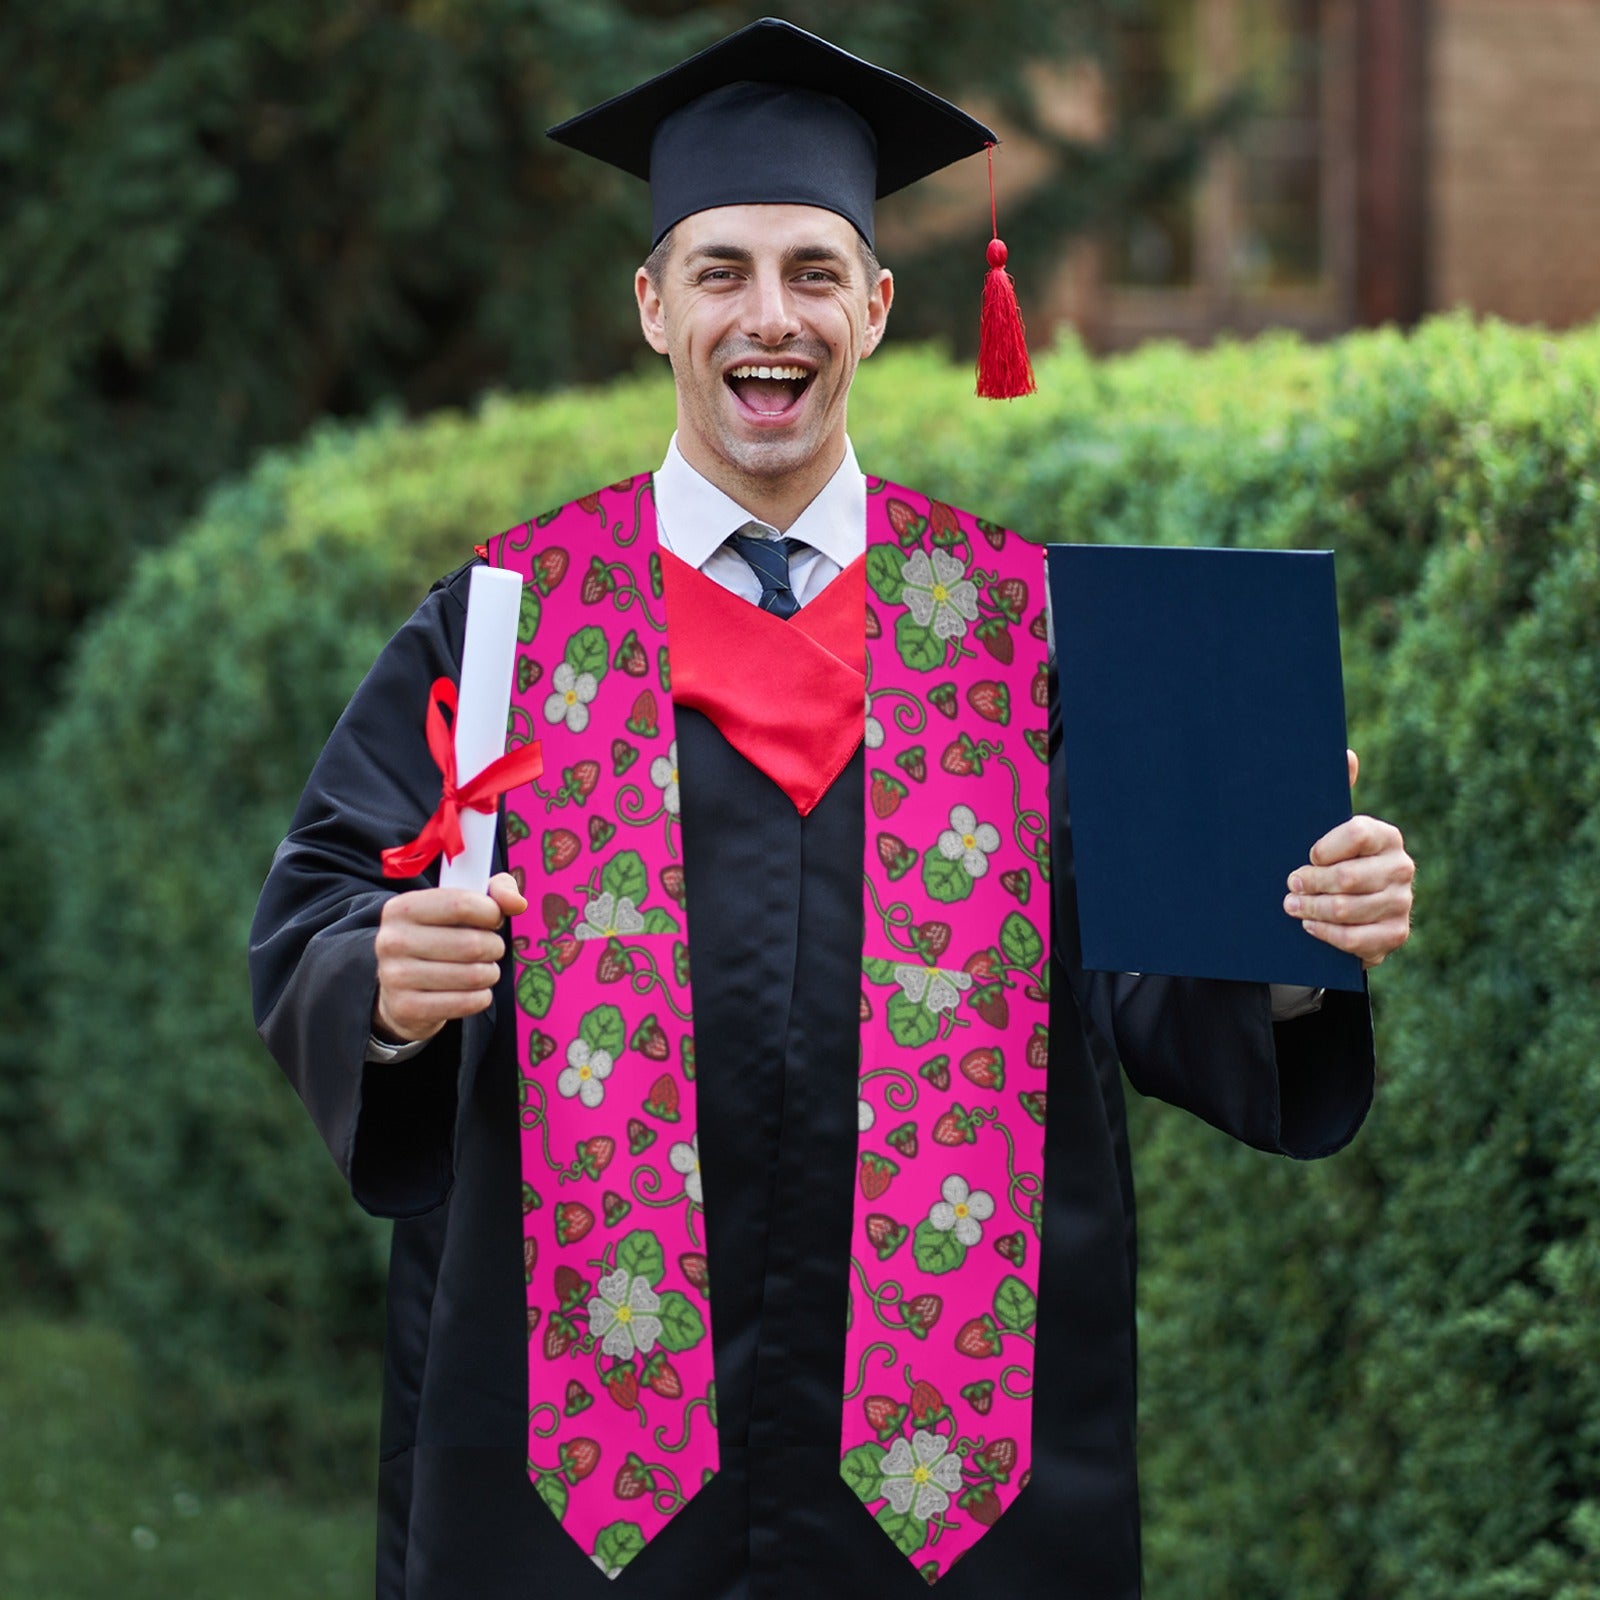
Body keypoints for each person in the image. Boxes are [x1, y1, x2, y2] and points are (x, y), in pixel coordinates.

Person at [249, 19, 1414, 1600]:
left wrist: (1292, 934)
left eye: (812, 270)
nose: (768, 316)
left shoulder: (1025, 628)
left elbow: (1150, 977)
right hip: (580, 1461)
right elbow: (324, 901)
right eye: (721, 270)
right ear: (654, 305)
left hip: (957, 1470)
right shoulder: (513, 623)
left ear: (876, 305)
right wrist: (380, 983)